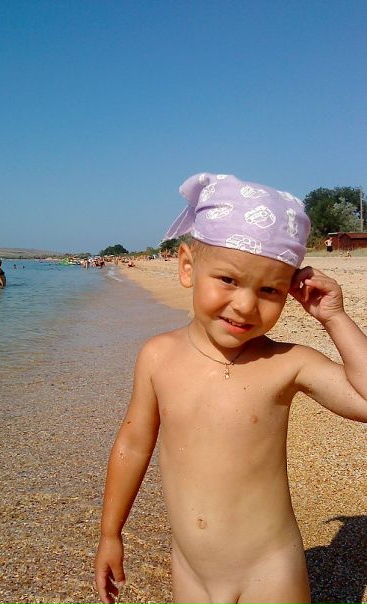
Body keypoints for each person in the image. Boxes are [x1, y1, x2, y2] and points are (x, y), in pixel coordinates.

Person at [94, 173, 367, 604]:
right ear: (188, 267)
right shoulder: (158, 357)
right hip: (191, 571)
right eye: (228, 280)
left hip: (270, 570)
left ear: (290, 290)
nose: (245, 305)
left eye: (269, 289)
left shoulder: (286, 363)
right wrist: (110, 533)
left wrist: (334, 318)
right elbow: (132, 444)